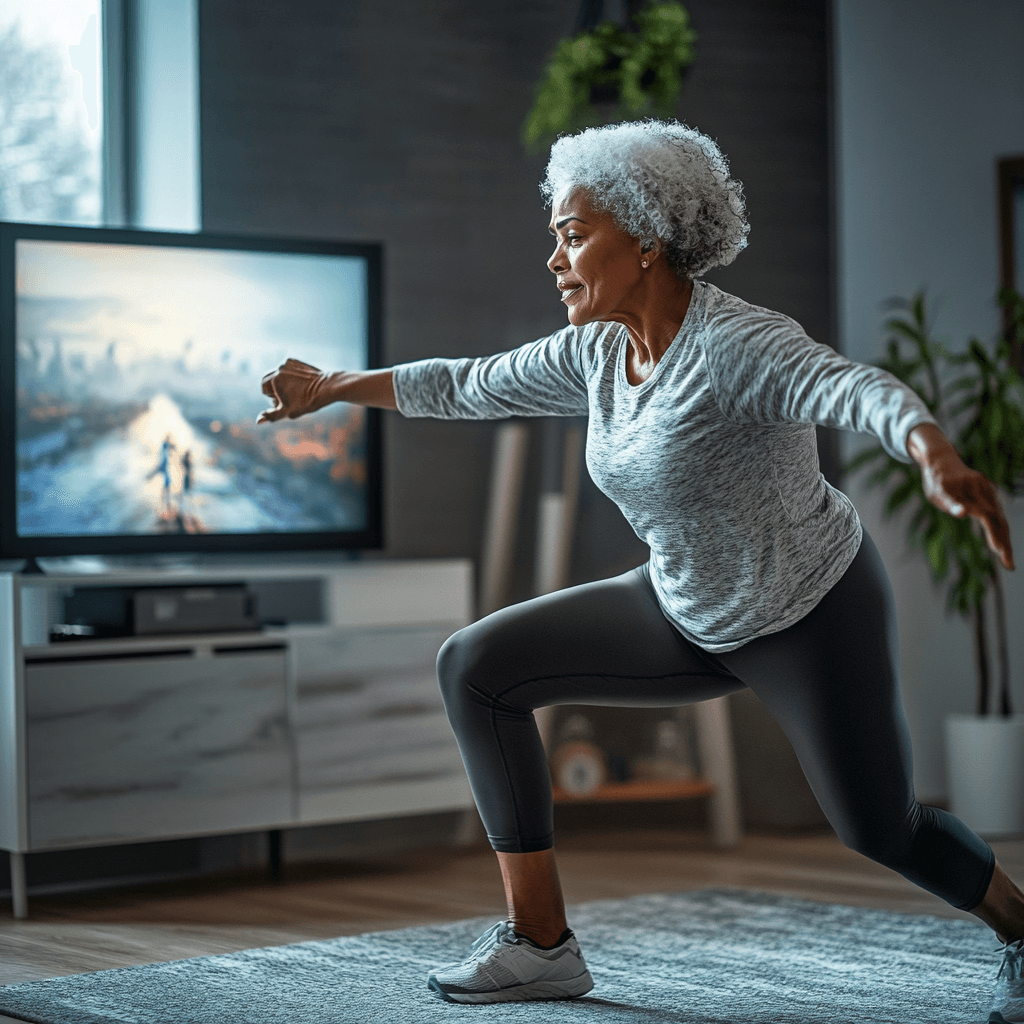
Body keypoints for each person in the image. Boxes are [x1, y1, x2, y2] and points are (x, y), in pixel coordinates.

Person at [257, 120, 1024, 1016]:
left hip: (808, 612)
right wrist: (336, 386)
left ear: (648, 239)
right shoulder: (596, 352)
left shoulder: (737, 345)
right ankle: (539, 944)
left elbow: (848, 385)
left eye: (573, 234)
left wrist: (930, 451)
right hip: (682, 606)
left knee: (879, 828)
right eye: (555, 235)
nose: (554, 258)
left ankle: (1019, 926)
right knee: (475, 666)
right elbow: (469, 383)